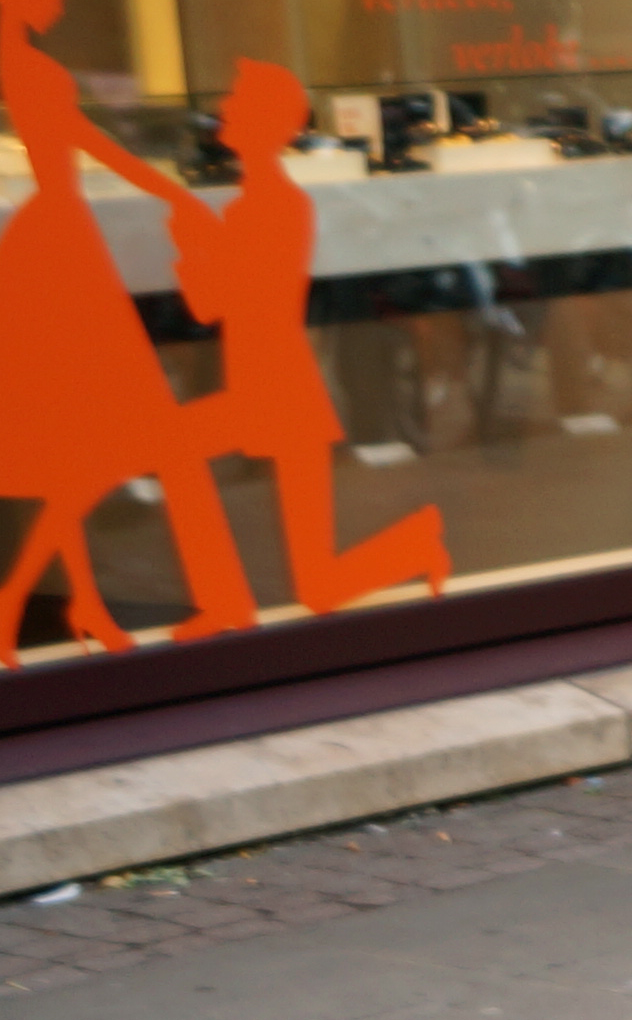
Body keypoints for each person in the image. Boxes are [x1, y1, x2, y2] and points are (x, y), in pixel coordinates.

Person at [0, 0, 258, 658]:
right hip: (59, 251)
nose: (59, 8)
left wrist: (174, 195)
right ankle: (30, 596)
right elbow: (94, 147)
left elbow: (92, 145)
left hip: (56, 242)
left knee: (76, 445)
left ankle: (70, 600)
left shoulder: (20, 64)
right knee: (100, 441)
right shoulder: (30, 68)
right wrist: (178, 197)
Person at [175, 60, 448, 616]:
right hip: (272, 386)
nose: (224, 109)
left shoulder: (273, 205)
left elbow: (221, 303)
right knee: (313, 580)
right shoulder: (255, 204)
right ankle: (415, 543)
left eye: (237, 101)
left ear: (264, 122)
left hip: (275, 387)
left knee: (314, 583)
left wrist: (192, 249)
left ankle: (415, 544)